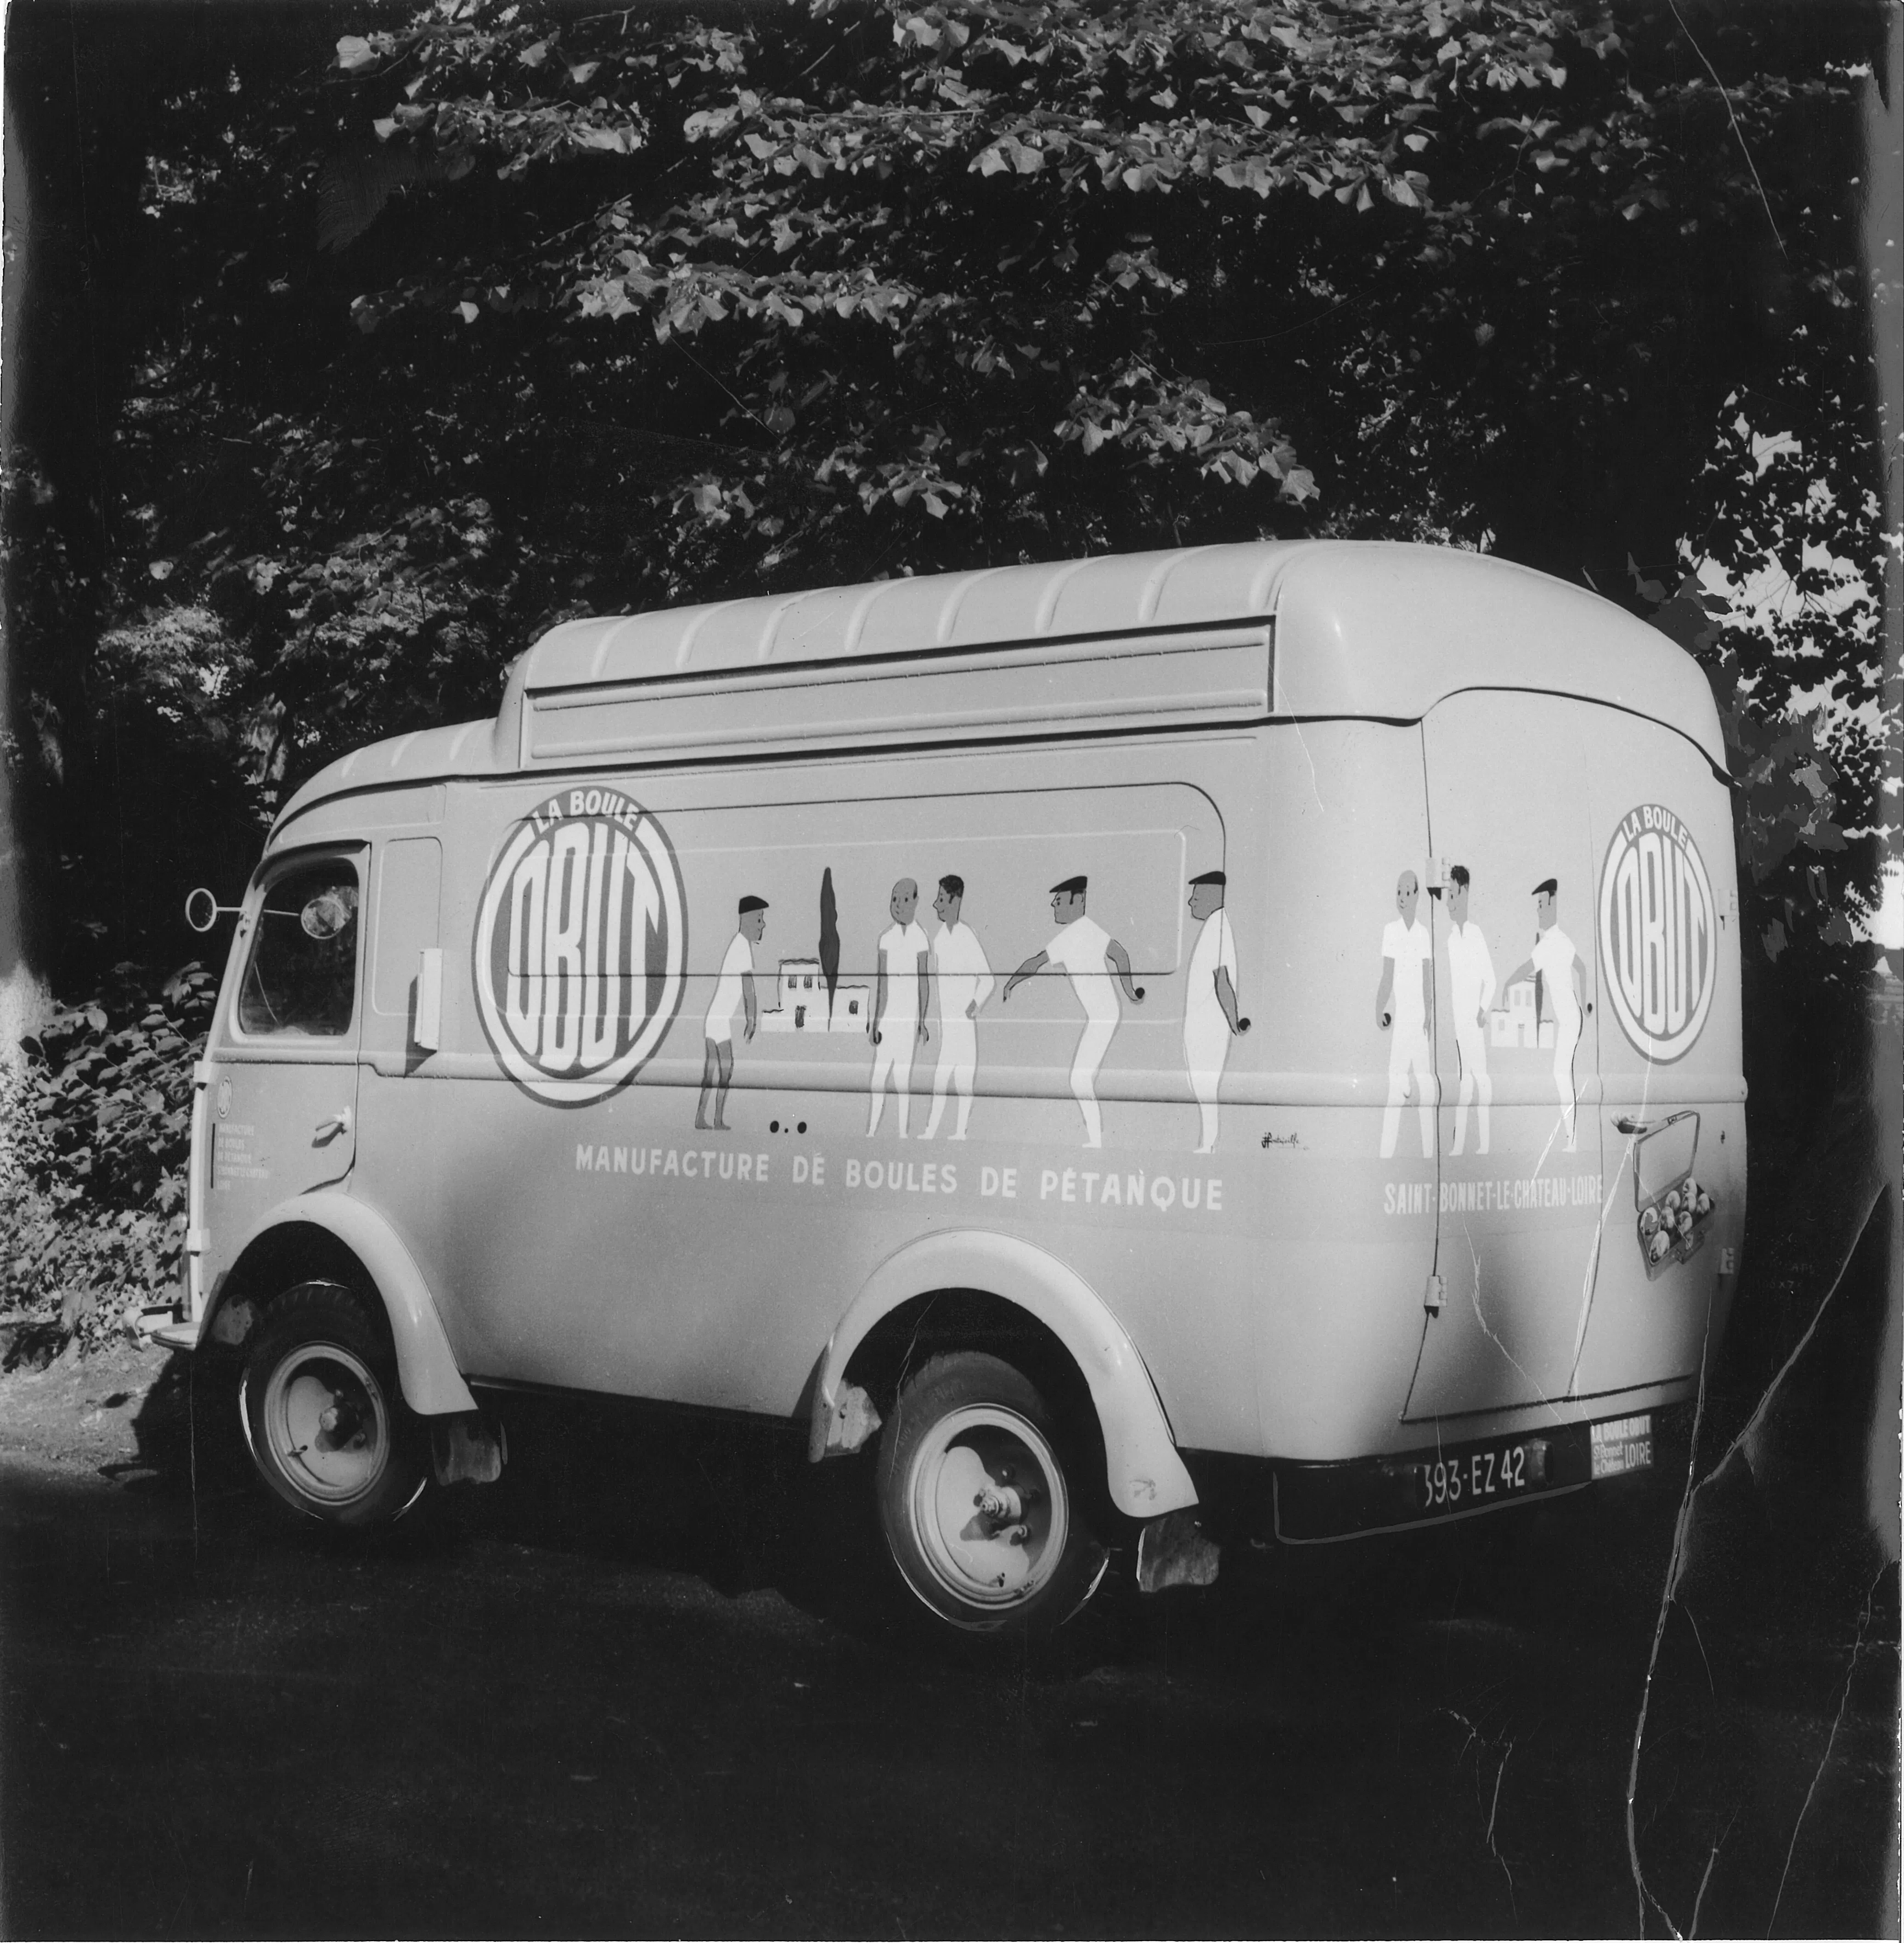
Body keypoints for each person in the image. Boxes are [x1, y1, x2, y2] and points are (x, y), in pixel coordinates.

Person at [1003, 875, 1144, 1148]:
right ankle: (1095, 1139)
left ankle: (1096, 1140)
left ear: (1078, 901)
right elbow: (1121, 955)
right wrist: (1130, 990)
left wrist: (1011, 982)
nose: (1054, 906)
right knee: (1080, 1079)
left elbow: (1036, 962)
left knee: (1079, 1079)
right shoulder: (1082, 932)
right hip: (1102, 1015)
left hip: (1104, 1016)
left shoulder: (1078, 933)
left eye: (1059, 901)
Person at [1506, 877, 1583, 1150]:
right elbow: (1581, 970)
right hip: (1571, 1018)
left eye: (1541, 904)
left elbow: (1527, 968)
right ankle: (1570, 1136)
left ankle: (1571, 1139)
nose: (1538, 910)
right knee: (1561, 1073)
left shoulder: (1554, 941)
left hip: (1571, 1019)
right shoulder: (1554, 940)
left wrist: (1508, 984)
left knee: (1561, 1073)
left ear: (1551, 902)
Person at [1182, 871, 1249, 1154]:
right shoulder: (1214, 925)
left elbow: (1222, 981)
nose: (1189, 903)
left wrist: (1235, 1023)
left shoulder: (1217, 928)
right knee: (1202, 1087)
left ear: (1212, 896)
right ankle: (1207, 1142)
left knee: (1205, 1087)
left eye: (1196, 896)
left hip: (1209, 1027)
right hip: (1204, 1025)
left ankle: (1208, 1144)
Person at [923, 874, 993, 1142]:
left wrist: (973, 1006)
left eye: (941, 899)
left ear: (955, 900)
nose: (936, 904)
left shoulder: (966, 936)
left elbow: (987, 979)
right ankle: (931, 1131)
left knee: (962, 1084)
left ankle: (960, 1133)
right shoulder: (939, 939)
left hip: (963, 1028)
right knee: (940, 1081)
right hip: (947, 1028)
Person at [1375, 868, 1436, 1160]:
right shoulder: (1391, 931)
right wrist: (1380, 1009)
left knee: (1425, 1091)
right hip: (1401, 1024)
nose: (1400, 897)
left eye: (1406, 892)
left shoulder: (1424, 934)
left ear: (1416, 896)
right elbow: (1387, 977)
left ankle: (1428, 1154)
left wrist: (1429, 1017)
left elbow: (1427, 979)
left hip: (1420, 1024)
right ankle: (1386, 1154)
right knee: (1394, 1091)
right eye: (1397, 891)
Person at [868, 877, 930, 1137]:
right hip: (887, 1023)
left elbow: (924, 985)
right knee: (877, 1080)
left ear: (916, 902)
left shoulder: (921, 939)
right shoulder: (885, 939)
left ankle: (902, 1134)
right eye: (894, 899)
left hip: (907, 1024)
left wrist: (922, 1022)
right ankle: (871, 1131)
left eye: (905, 899)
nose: (898, 905)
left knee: (903, 1082)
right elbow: (882, 986)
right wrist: (875, 1023)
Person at [697, 895, 766, 1132]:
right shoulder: (742, 947)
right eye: (759, 919)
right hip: (719, 1022)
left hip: (714, 1020)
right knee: (725, 1072)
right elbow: (749, 989)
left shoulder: (738, 944)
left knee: (713, 1071)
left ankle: (704, 1119)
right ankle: (715, 1120)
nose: (763, 925)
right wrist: (752, 1020)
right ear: (746, 920)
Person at [1442, 864, 1496, 1156]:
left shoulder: (1475, 935)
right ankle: (1459, 1146)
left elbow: (1491, 979)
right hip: (1459, 1027)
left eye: (1452, 894)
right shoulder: (1451, 939)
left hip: (1473, 1025)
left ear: (1462, 892)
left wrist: (1482, 1009)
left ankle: (1484, 1146)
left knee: (1481, 1086)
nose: (1448, 902)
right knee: (1464, 1087)